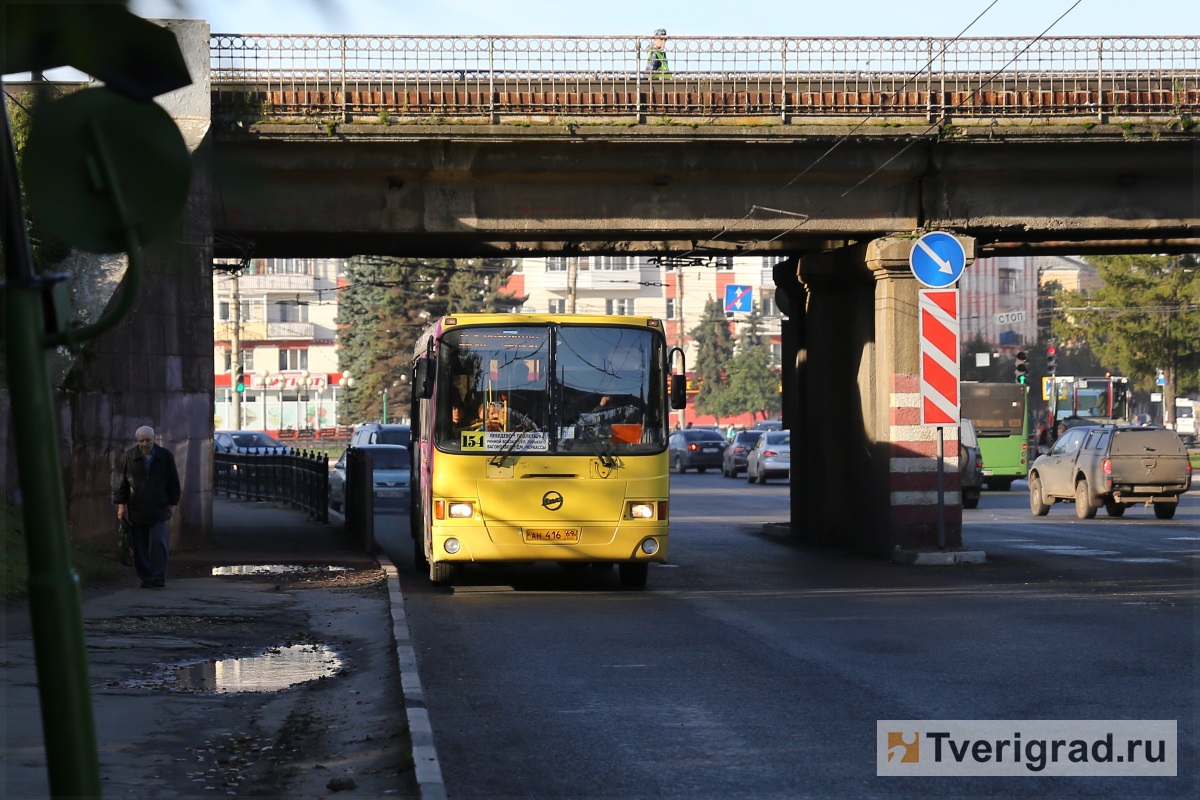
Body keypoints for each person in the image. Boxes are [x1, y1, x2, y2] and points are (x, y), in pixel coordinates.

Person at [112, 426, 180, 589]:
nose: (144, 444)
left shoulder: (165, 456)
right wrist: (121, 507)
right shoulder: (130, 456)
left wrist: (172, 503)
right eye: (141, 440)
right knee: (139, 545)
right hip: (137, 506)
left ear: (154, 439)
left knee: (159, 542)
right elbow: (121, 484)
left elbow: (173, 482)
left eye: (147, 440)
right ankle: (146, 577)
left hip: (159, 506)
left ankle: (158, 576)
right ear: (137, 440)